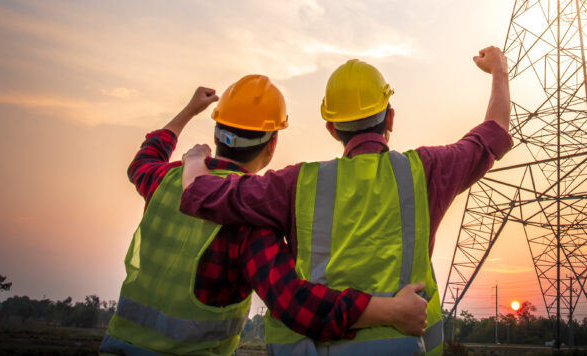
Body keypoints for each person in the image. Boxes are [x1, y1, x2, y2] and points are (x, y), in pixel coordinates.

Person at [180, 46, 512, 355]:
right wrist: (499, 69)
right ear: (391, 118)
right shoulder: (425, 172)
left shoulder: (296, 183)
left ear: (331, 128)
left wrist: (195, 161)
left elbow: (200, 195)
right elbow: (494, 132)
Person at [101, 75, 428, 356]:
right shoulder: (249, 218)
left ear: (217, 134)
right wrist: (392, 310)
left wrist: (188, 113)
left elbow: (144, 159)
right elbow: (294, 303)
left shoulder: (166, 180)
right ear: (272, 145)